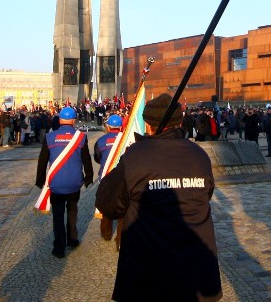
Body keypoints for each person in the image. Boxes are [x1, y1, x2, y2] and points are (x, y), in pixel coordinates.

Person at [96, 93, 222, 302]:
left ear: (148, 125)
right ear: (179, 122)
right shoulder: (199, 155)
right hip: (195, 274)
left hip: (149, 275)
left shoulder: (136, 157)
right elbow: (206, 194)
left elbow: (108, 205)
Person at [34, 106, 93, 259]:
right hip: (75, 182)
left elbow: (42, 161)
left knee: (58, 214)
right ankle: (72, 239)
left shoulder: (49, 137)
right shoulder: (81, 137)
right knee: (72, 209)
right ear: (73, 121)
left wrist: (40, 180)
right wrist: (89, 177)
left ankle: (59, 247)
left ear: (60, 120)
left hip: (56, 183)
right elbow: (86, 159)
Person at [94, 113, 123, 242]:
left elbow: (97, 157)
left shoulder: (101, 141)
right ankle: (121, 236)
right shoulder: (126, 139)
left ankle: (106, 234)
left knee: (106, 206)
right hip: (123, 178)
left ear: (108, 127)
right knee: (124, 206)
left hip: (106, 177)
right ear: (121, 127)